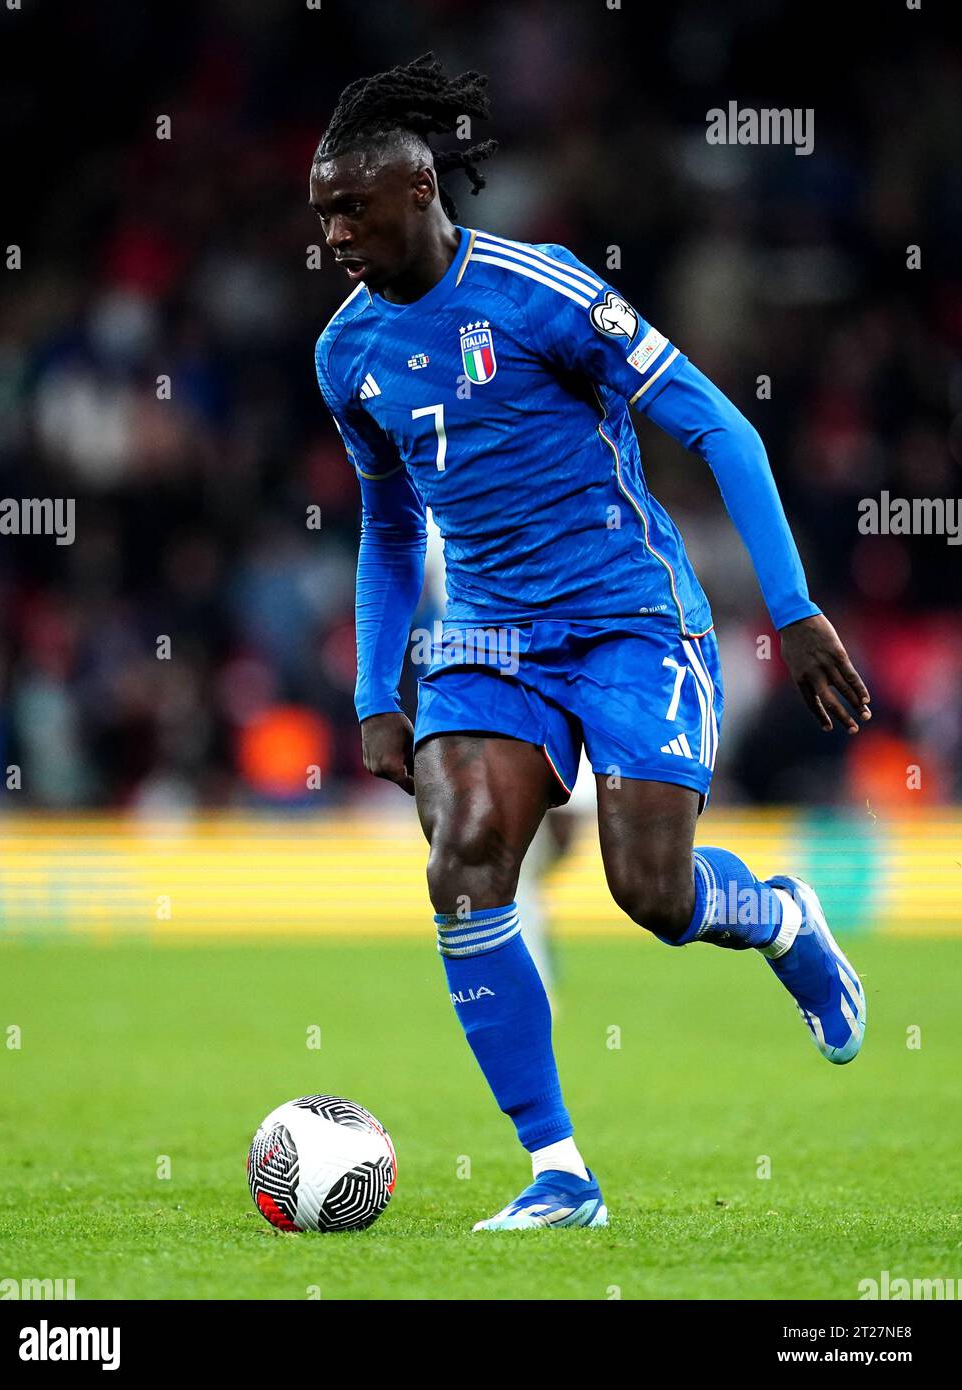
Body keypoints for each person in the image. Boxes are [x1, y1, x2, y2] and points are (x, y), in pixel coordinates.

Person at [312, 54, 870, 1231]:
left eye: (349, 207)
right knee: (464, 854)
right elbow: (385, 519)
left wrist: (794, 605)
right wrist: (374, 689)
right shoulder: (345, 353)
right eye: (320, 213)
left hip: (628, 619)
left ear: (420, 187)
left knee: (652, 894)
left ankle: (778, 920)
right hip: (483, 638)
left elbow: (720, 428)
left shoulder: (544, 292)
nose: (332, 233)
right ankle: (558, 1171)